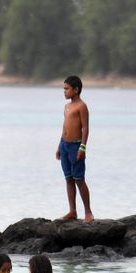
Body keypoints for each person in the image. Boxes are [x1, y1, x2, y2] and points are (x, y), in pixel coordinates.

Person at [56, 75, 93, 223]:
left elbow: (85, 128)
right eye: (63, 89)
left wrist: (82, 147)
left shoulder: (81, 106)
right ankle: (72, 210)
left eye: (67, 89)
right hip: (65, 145)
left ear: (76, 90)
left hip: (76, 145)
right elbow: (65, 127)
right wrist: (59, 146)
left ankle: (88, 212)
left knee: (79, 179)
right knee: (68, 179)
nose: (64, 91)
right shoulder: (67, 106)